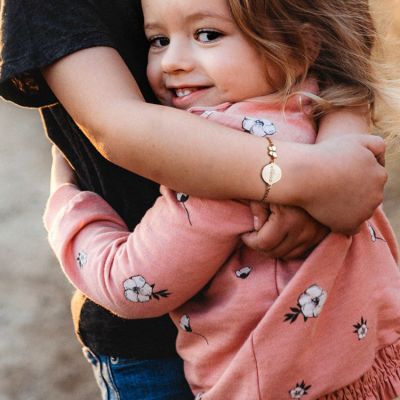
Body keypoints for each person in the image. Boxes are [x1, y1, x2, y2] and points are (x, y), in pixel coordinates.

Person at [0, 0, 389, 399]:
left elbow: (127, 284)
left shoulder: (207, 161)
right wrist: (330, 165)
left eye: (208, 35)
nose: (172, 63)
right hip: (364, 365)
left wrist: (66, 204)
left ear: (300, 45)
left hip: (208, 369)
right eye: (159, 40)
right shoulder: (306, 106)